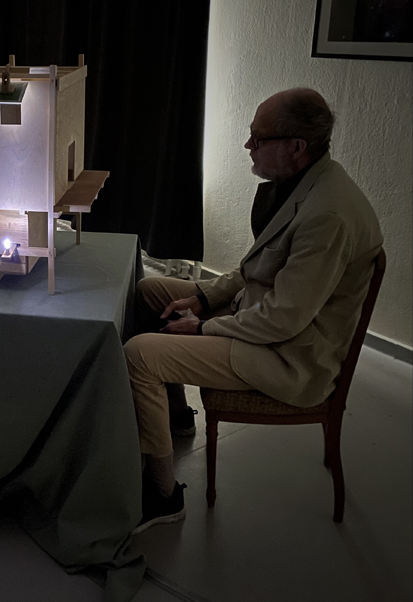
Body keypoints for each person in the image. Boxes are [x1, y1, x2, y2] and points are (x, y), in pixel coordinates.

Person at [125, 88, 383, 533]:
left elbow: (284, 319)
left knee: (139, 354)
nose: (249, 146)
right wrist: (203, 298)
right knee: (151, 291)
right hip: (264, 317)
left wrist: (202, 328)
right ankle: (176, 415)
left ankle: (163, 494)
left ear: (296, 146)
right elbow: (256, 267)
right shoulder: (305, 182)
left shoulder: (328, 215)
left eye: (258, 138)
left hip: (289, 354)